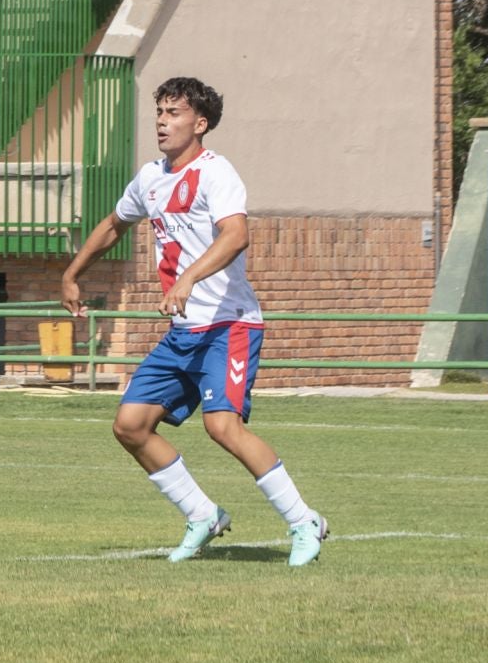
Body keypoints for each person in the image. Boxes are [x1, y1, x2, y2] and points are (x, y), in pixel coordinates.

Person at [61, 76, 328, 566]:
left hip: (230, 326)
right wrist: (72, 274)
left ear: (200, 124)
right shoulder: (150, 178)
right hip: (183, 334)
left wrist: (187, 280)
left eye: (174, 113)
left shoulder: (215, 172)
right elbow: (114, 225)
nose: (162, 122)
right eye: (159, 112)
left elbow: (236, 235)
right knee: (130, 425)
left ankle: (303, 520)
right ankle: (203, 515)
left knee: (222, 427)